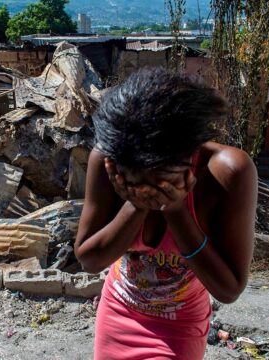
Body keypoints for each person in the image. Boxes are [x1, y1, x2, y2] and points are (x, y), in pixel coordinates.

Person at [74, 68, 258, 360]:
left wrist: (175, 210)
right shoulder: (110, 158)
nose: (144, 187)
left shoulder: (228, 172)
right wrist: (136, 205)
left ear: (188, 154)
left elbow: (228, 290)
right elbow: (89, 259)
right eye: (133, 181)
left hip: (180, 326)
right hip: (118, 311)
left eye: (157, 178)